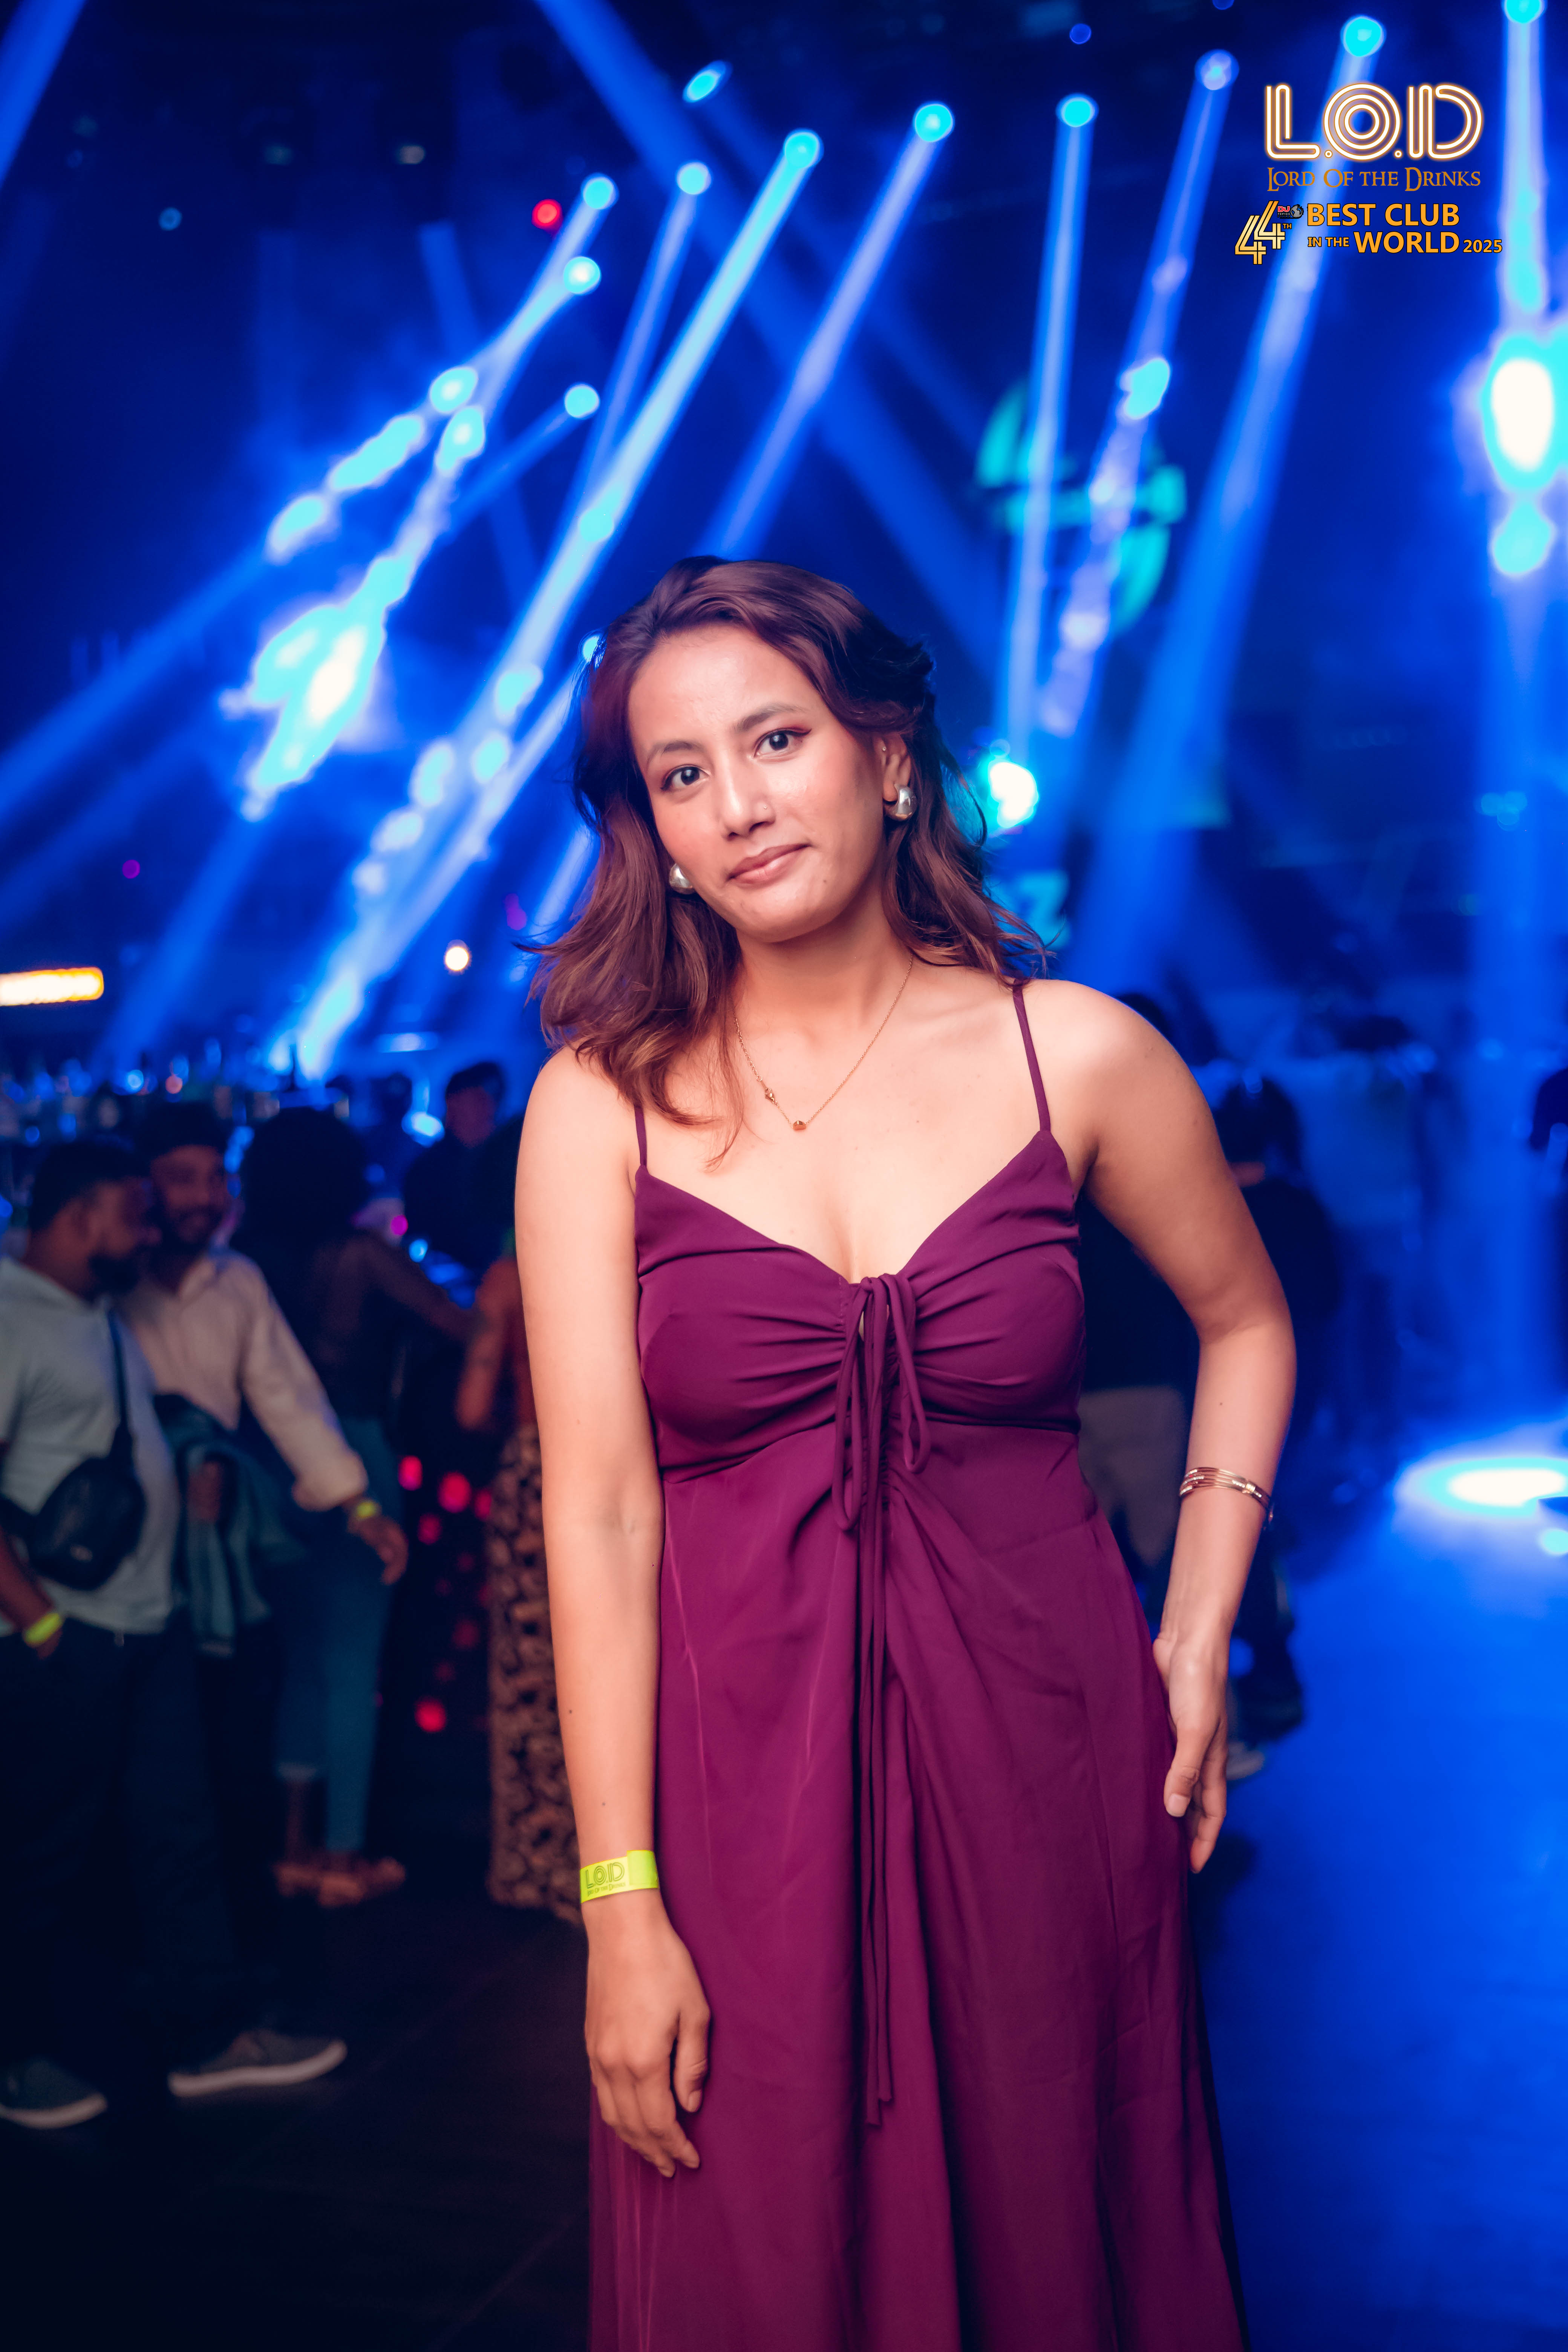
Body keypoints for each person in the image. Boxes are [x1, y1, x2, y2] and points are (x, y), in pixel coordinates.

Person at [517, 559, 1294, 2350]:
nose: (736, 802)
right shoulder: (595, 1105)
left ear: (885, 757)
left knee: (1058, 2233)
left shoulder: (1073, 1054)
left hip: (1050, 1766)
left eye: (775, 739)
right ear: (653, 831)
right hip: (736, 1802)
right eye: (681, 772)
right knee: (762, 2257)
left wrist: (1193, 1635)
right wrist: (618, 1903)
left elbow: (1247, 1322)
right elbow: (602, 1515)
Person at [0, 1139, 346, 2129]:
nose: (144, 1230)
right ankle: (14, 2058)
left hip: (150, 1628)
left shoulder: (97, 1314)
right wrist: (43, 1625)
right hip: (67, 1638)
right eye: (131, 1212)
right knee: (39, 1852)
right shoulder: (12, 1318)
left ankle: (208, 2039)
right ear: (79, 1216)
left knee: (179, 1836)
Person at [235, 1109, 469, 1905]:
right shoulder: (363, 1254)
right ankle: (343, 1854)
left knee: (301, 1658)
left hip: (270, 1463)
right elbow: (458, 1322)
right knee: (351, 1665)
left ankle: (291, 1846)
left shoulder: (244, 1261)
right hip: (353, 1455)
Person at [454, 1115, 579, 1920]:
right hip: (614, 1464)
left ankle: (536, 1867)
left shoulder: (505, 1278)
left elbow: (470, 1410)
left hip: (533, 1473)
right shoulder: (624, 1252)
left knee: (532, 1679)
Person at [1214, 1076, 1342, 1742]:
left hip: (1223, 1387)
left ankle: (1262, 1666)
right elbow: (1328, 1293)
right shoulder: (1297, 1204)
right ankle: (1272, 1667)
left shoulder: (1204, 1211)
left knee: (1240, 1512)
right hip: (1295, 1373)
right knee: (1262, 1507)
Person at [403, 1061, 507, 1279]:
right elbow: (418, 1235)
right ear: (453, 1102)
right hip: (445, 1281)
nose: (489, 1107)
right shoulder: (426, 1170)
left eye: (494, 1098)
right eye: (479, 1099)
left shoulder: (508, 1162)